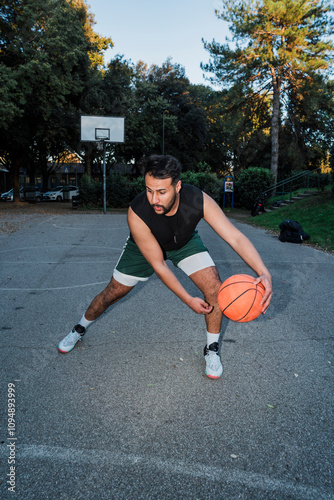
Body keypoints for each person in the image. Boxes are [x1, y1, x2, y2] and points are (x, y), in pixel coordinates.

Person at [58, 155, 272, 379]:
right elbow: (159, 264)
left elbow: (235, 237)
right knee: (110, 294)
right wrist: (187, 299)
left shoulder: (198, 200)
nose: (154, 199)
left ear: (177, 186)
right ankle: (79, 328)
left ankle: (211, 348)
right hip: (144, 249)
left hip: (184, 243)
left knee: (215, 291)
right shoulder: (138, 212)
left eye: (162, 192)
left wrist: (263, 273)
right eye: (149, 190)